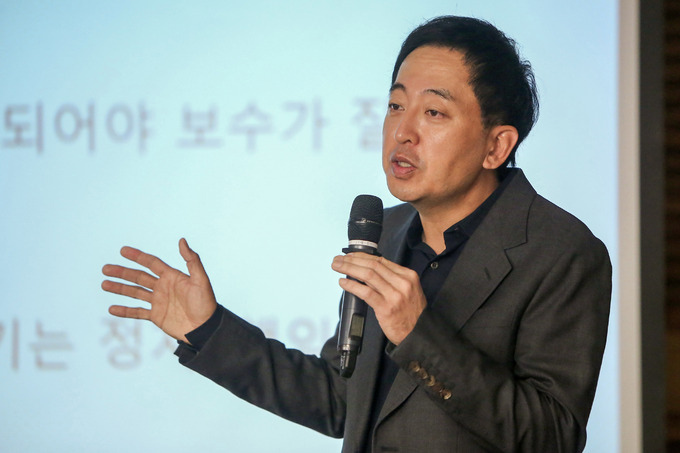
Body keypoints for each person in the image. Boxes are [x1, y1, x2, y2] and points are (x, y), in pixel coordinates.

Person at [101, 16, 611, 453]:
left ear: (496, 146)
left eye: (434, 112)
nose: (403, 132)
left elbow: (553, 437)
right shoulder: (386, 232)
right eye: (396, 106)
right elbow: (340, 398)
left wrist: (419, 335)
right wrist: (208, 329)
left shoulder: (561, 253)